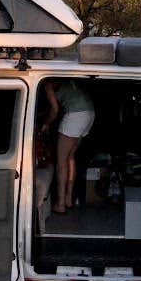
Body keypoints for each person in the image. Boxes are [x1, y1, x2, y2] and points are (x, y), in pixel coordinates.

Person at [42, 79, 95, 214]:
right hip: (89, 113)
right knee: (70, 158)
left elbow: (55, 110)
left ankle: (60, 204)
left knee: (60, 163)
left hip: (75, 116)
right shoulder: (64, 77)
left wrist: (46, 123)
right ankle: (68, 199)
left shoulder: (47, 83)